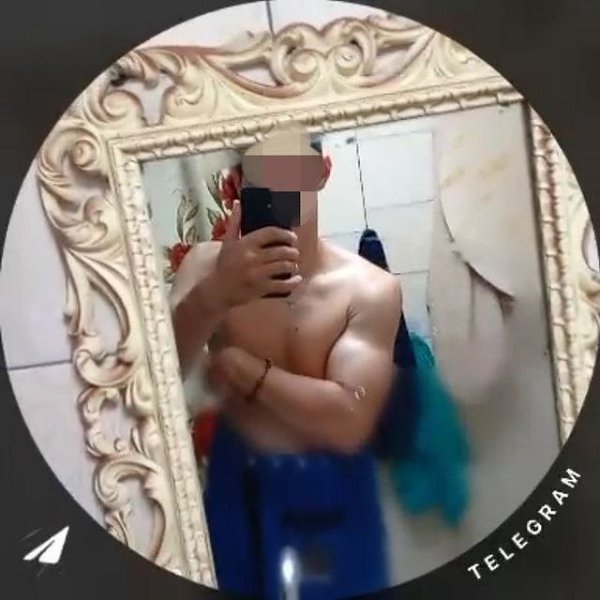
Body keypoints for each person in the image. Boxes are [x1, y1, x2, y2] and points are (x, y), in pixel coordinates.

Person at [169, 124, 402, 599]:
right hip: (238, 485)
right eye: (262, 175)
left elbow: (349, 422)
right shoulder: (205, 268)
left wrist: (245, 369)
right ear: (239, 183)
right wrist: (213, 297)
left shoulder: (368, 289)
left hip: (337, 489)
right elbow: (152, 379)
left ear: (322, 171)